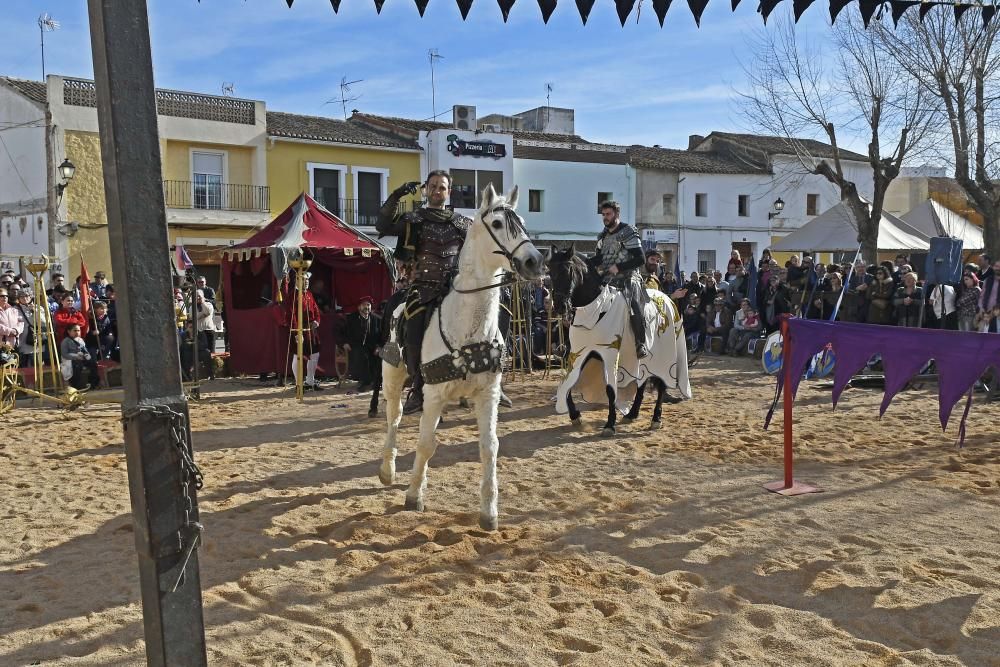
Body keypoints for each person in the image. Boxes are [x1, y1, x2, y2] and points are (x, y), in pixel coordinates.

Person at [376, 171, 470, 414]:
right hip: (422, 289)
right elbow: (382, 225)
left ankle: (491, 380)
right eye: (434, 186)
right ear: (426, 190)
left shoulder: (462, 224)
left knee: (492, 315)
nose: (438, 191)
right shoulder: (414, 219)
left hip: (455, 290)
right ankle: (418, 388)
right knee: (415, 329)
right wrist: (397, 195)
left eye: (442, 187)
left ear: (449, 192)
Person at [587, 200, 648, 358]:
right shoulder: (602, 236)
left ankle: (640, 343)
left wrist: (619, 267)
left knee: (632, 303)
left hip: (629, 277)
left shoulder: (627, 232)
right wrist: (584, 262)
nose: (605, 217)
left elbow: (641, 259)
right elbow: (600, 259)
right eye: (603, 215)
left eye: (608, 214)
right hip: (608, 279)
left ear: (616, 214)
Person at [285, 272, 324, 391]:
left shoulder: (309, 294)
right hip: (298, 329)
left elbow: (316, 310)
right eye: (304, 280)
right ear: (297, 281)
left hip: (310, 330)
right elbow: (290, 316)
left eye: (307, 280)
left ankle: (310, 381)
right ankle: (298, 385)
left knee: (315, 354)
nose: (306, 282)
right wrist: (297, 332)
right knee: (298, 356)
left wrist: (317, 321)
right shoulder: (292, 296)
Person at [343, 296, 381, 392]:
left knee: (380, 355)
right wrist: (344, 342)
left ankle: (377, 381)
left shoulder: (377, 319)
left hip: (372, 347)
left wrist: (379, 346)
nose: (366, 307)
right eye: (364, 305)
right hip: (356, 346)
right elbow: (338, 331)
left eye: (368, 305)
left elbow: (382, 335)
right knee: (362, 356)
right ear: (359, 307)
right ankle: (364, 382)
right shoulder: (350, 318)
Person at [60, 323, 99, 390]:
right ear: (69, 331)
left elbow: (85, 350)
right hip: (70, 360)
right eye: (75, 330)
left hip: (81, 358)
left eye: (78, 330)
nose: (77, 332)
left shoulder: (80, 340)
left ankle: (93, 383)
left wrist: (87, 356)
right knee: (77, 366)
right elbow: (64, 354)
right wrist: (76, 356)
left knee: (93, 364)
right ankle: (77, 386)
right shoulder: (65, 341)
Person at [977, 258, 1000, 333]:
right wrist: (981, 308)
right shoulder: (988, 280)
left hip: (998, 315)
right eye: (996, 266)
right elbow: (982, 296)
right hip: (986, 314)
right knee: (984, 338)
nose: (998, 268)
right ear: (993, 267)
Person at [0, 286, 24, 352]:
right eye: (2, 296)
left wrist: (16, 330)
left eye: (6, 296)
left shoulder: (14, 309)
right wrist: (10, 331)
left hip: (15, 345)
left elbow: (21, 322)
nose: (5, 297)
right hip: (1, 346)